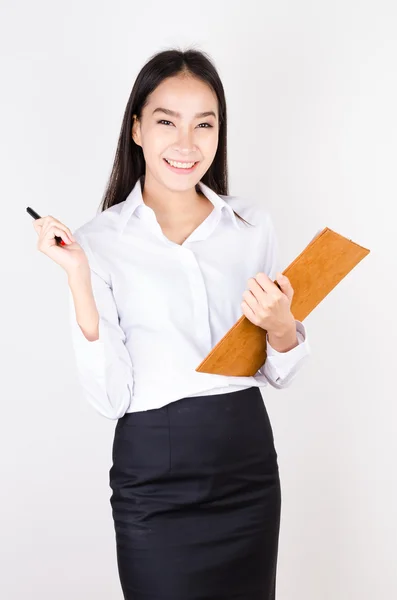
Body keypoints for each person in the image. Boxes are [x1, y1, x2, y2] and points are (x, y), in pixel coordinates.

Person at [34, 48, 311, 600]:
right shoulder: (100, 241)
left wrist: (283, 326)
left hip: (246, 464)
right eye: (167, 122)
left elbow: (278, 372)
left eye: (204, 125)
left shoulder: (251, 226)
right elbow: (111, 398)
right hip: (153, 475)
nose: (186, 144)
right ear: (136, 128)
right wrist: (78, 278)